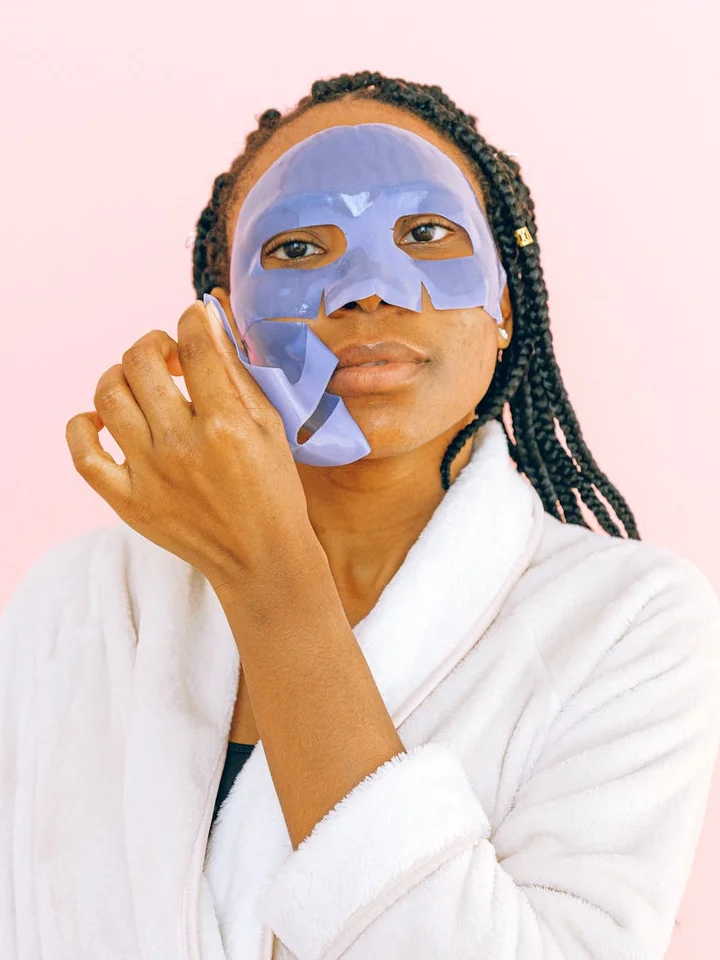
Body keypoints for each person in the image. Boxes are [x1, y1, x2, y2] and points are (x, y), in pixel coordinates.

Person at [1, 70, 719, 960]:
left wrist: (270, 578)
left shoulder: (633, 623)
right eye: (299, 250)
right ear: (223, 323)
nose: (365, 291)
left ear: (502, 303)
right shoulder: (76, 603)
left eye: (425, 232)